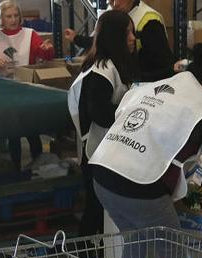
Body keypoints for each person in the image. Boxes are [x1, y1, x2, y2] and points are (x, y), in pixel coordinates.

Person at [88, 43, 202, 258]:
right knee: (173, 253)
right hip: (140, 186)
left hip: (102, 174)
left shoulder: (154, 87)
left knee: (134, 239)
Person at [68, 10, 137, 237]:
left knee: (99, 207)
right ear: (116, 35)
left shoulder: (115, 64)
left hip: (105, 149)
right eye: (128, 33)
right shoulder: (102, 69)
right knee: (95, 207)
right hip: (96, 151)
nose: (133, 38)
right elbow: (98, 111)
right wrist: (131, 115)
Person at [0, 0, 52, 167]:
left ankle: (38, 165)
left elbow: (45, 54)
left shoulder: (30, 34)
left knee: (33, 130)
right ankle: (16, 167)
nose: (13, 19)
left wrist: (47, 49)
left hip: (27, 89)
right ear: (1, 18)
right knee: (13, 133)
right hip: (5, 90)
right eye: (9, 16)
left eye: (16, 15)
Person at [63, 0, 172, 82]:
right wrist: (76, 38)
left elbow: (160, 67)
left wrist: (134, 81)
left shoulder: (150, 20)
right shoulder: (113, 14)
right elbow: (101, 41)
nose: (112, 2)